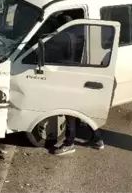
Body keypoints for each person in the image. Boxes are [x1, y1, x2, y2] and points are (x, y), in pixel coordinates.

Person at [52, 13, 106, 156]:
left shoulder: (64, 38)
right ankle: (97, 139)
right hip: (81, 76)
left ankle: (69, 143)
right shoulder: (79, 36)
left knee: (70, 113)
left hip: (69, 77)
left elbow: (62, 60)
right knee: (82, 112)